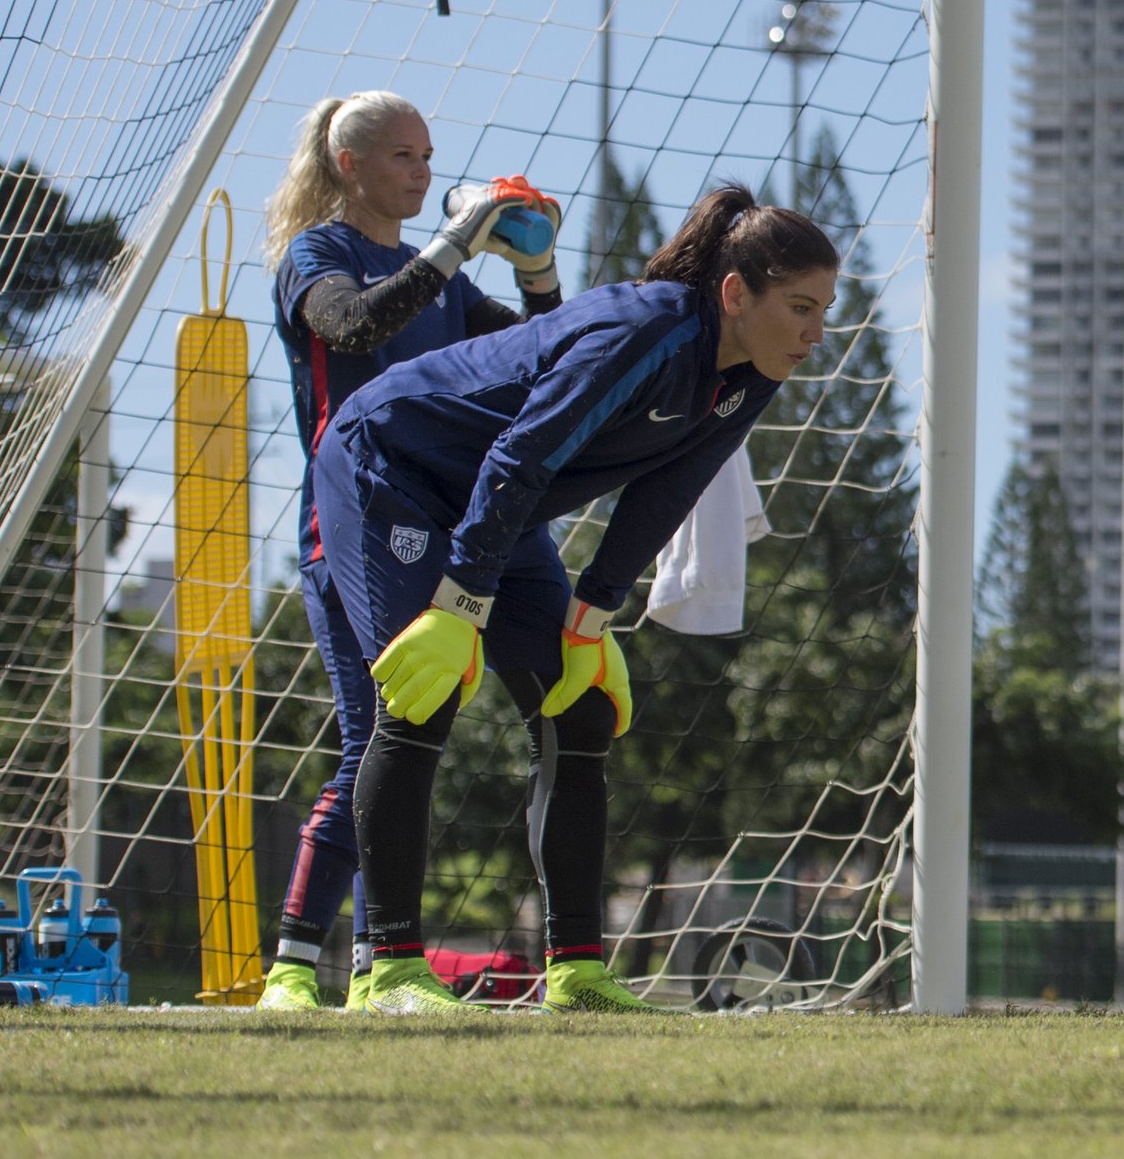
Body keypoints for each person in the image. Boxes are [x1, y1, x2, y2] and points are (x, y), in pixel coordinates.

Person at [312, 183, 836, 1014]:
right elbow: (521, 457)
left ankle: (577, 970)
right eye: (801, 307)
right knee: (421, 697)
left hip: (503, 503)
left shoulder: (754, 371)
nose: (817, 333)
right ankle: (389, 972)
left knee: (580, 707)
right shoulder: (647, 331)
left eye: (824, 311)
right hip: (393, 467)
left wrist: (593, 616)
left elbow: (668, 490)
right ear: (736, 294)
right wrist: (460, 605)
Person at [255, 92, 563, 1013]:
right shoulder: (319, 255)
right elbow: (355, 326)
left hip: (443, 523)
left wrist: (540, 275)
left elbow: (548, 351)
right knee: (376, 735)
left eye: (429, 156)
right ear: (349, 164)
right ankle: (297, 970)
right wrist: (458, 244)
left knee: (429, 729)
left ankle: (368, 971)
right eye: (402, 157)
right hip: (344, 528)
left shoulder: (441, 279)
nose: (424, 175)